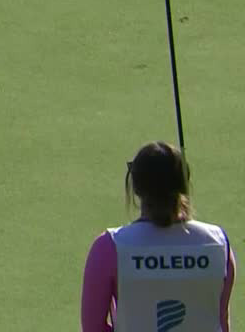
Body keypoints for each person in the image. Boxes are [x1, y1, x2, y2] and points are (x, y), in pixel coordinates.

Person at [80, 141, 235, 331]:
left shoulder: (110, 246)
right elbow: (220, 319)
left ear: (136, 188)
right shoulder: (218, 242)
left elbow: (93, 327)